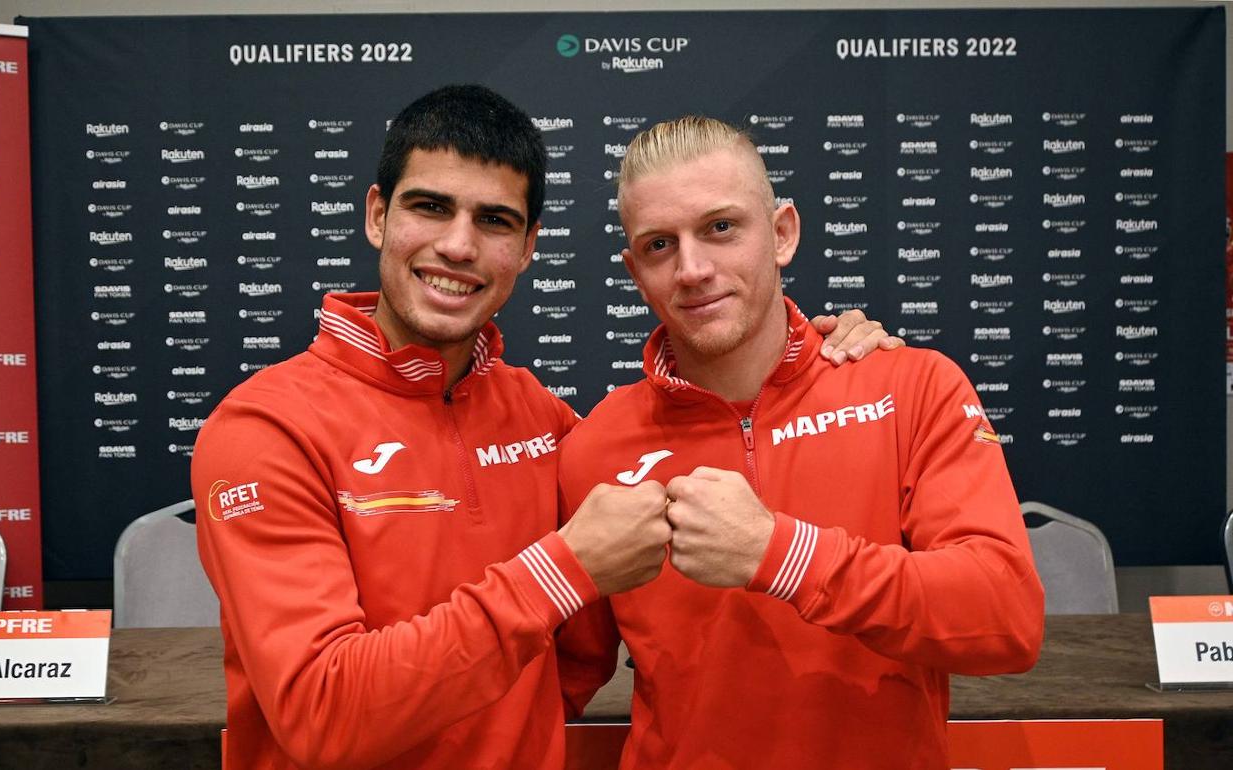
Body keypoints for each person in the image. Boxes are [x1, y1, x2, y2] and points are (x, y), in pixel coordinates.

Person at [193, 86, 897, 770]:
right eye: (430, 208)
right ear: (379, 215)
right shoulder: (264, 428)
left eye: (495, 221)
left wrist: (822, 354)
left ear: (528, 247)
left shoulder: (542, 417)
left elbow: (578, 655)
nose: (459, 246)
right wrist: (559, 574)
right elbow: (323, 714)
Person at [555, 116, 1045, 769]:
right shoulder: (597, 447)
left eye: (721, 228)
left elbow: (1006, 619)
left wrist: (782, 555)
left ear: (782, 233)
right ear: (635, 271)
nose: (693, 268)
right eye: (659, 246)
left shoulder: (911, 386)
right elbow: (557, 681)